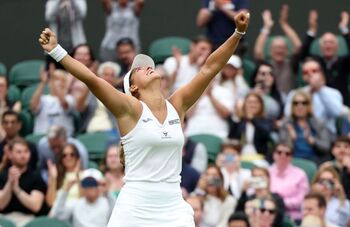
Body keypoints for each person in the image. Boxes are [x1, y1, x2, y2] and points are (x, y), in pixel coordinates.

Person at [38, 10, 250, 226]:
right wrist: (56, 50)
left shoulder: (177, 105)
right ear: (133, 86)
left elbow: (210, 68)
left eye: (149, 65)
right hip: (134, 208)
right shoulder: (129, 109)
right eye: (139, 68)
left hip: (173, 208)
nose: (148, 67)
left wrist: (237, 32)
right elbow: (91, 79)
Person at [300, 10, 350, 105]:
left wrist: (344, 29)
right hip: (317, 106)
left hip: (341, 105)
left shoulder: (344, 62)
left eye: (331, 42)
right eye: (325, 43)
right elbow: (303, 55)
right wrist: (312, 30)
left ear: (337, 47)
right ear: (320, 47)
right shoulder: (316, 61)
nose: (328, 45)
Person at [254, 5, 301, 98]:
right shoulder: (267, 66)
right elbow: (258, 52)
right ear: (270, 51)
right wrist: (266, 27)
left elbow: (298, 46)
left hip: (289, 105)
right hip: (270, 103)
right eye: (276, 48)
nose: (279, 50)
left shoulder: (291, 64)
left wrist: (284, 23)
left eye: (282, 48)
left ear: (287, 51)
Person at [0, 138, 47, 226]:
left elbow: (35, 206)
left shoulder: (36, 177)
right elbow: (0, 205)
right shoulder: (2, 175)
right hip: (3, 218)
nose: (23, 155)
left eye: (26, 152)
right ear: (10, 154)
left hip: (27, 219)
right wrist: (10, 183)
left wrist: (17, 190)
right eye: (19, 152)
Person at [279, 90, 331, 164]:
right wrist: (291, 139)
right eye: (296, 103)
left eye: (304, 103)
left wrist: (312, 141)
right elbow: (281, 150)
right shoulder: (286, 123)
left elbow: (326, 147)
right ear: (292, 106)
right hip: (292, 161)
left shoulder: (319, 123)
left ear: (309, 105)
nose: (300, 106)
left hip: (315, 161)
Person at [268, 143, 309, 222]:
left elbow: (302, 200)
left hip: (292, 216)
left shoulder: (300, 174)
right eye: (279, 152)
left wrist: (279, 203)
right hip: (268, 213)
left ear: (291, 157)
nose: (283, 156)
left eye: (287, 154)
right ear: (274, 155)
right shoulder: (267, 172)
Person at [31, 68, 76, 136]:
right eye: (56, 79)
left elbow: (65, 105)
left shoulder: (70, 98)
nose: (60, 82)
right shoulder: (43, 99)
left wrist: (61, 89)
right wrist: (42, 83)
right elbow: (33, 106)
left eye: (63, 80)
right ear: (50, 82)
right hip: (42, 137)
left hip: (63, 139)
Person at [0, 76, 21, 141]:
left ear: (7, 89)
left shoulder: (16, 105)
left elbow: (11, 124)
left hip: (8, 139)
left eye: (1, 86)